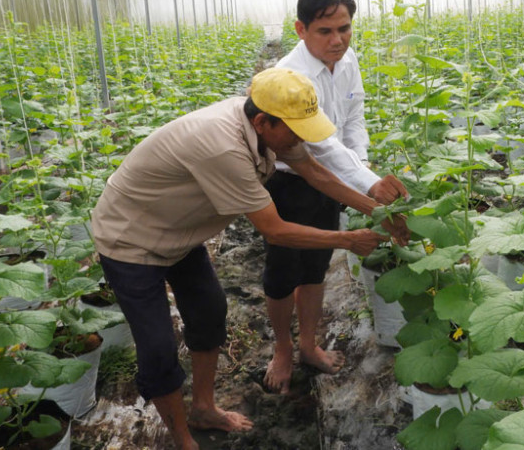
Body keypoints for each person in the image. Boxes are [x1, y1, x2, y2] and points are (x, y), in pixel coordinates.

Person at [90, 67, 408, 450]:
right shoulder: (224, 147)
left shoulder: (267, 127)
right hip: (131, 241)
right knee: (157, 349)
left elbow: (313, 171)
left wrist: (377, 211)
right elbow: (275, 230)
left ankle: (204, 408)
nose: (301, 138)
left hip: (179, 233)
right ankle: (183, 440)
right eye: (296, 129)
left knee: (209, 313)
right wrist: (348, 239)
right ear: (262, 122)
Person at [263, 0, 409, 394]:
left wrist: (361, 164)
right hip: (290, 182)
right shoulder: (288, 78)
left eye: (344, 29)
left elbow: (353, 117)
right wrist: (369, 184)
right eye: (325, 31)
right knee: (281, 272)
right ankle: (282, 347)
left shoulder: (347, 59)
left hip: (337, 176)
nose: (338, 39)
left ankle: (308, 344)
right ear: (300, 29)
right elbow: (320, 147)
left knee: (316, 266)